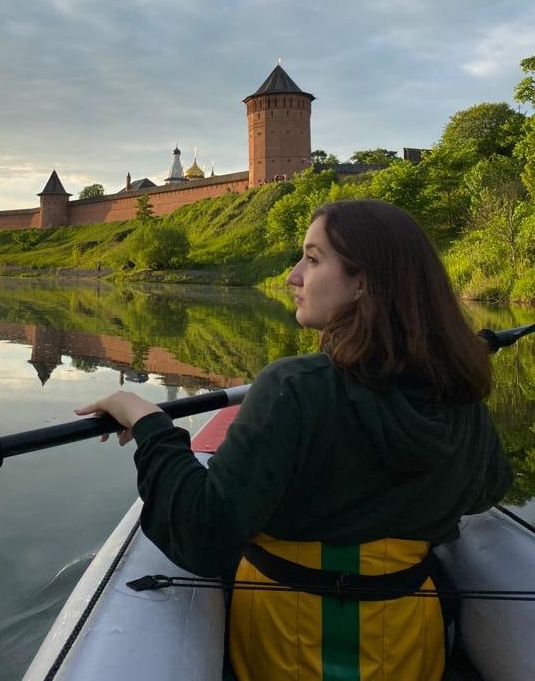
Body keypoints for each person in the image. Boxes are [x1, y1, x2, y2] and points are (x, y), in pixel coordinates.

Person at [75, 199, 512, 680]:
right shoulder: (460, 397)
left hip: (286, 648)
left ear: (364, 281)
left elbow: (202, 536)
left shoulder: (294, 386)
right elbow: (486, 490)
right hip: (410, 648)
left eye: (313, 258)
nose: (292, 276)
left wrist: (147, 422)